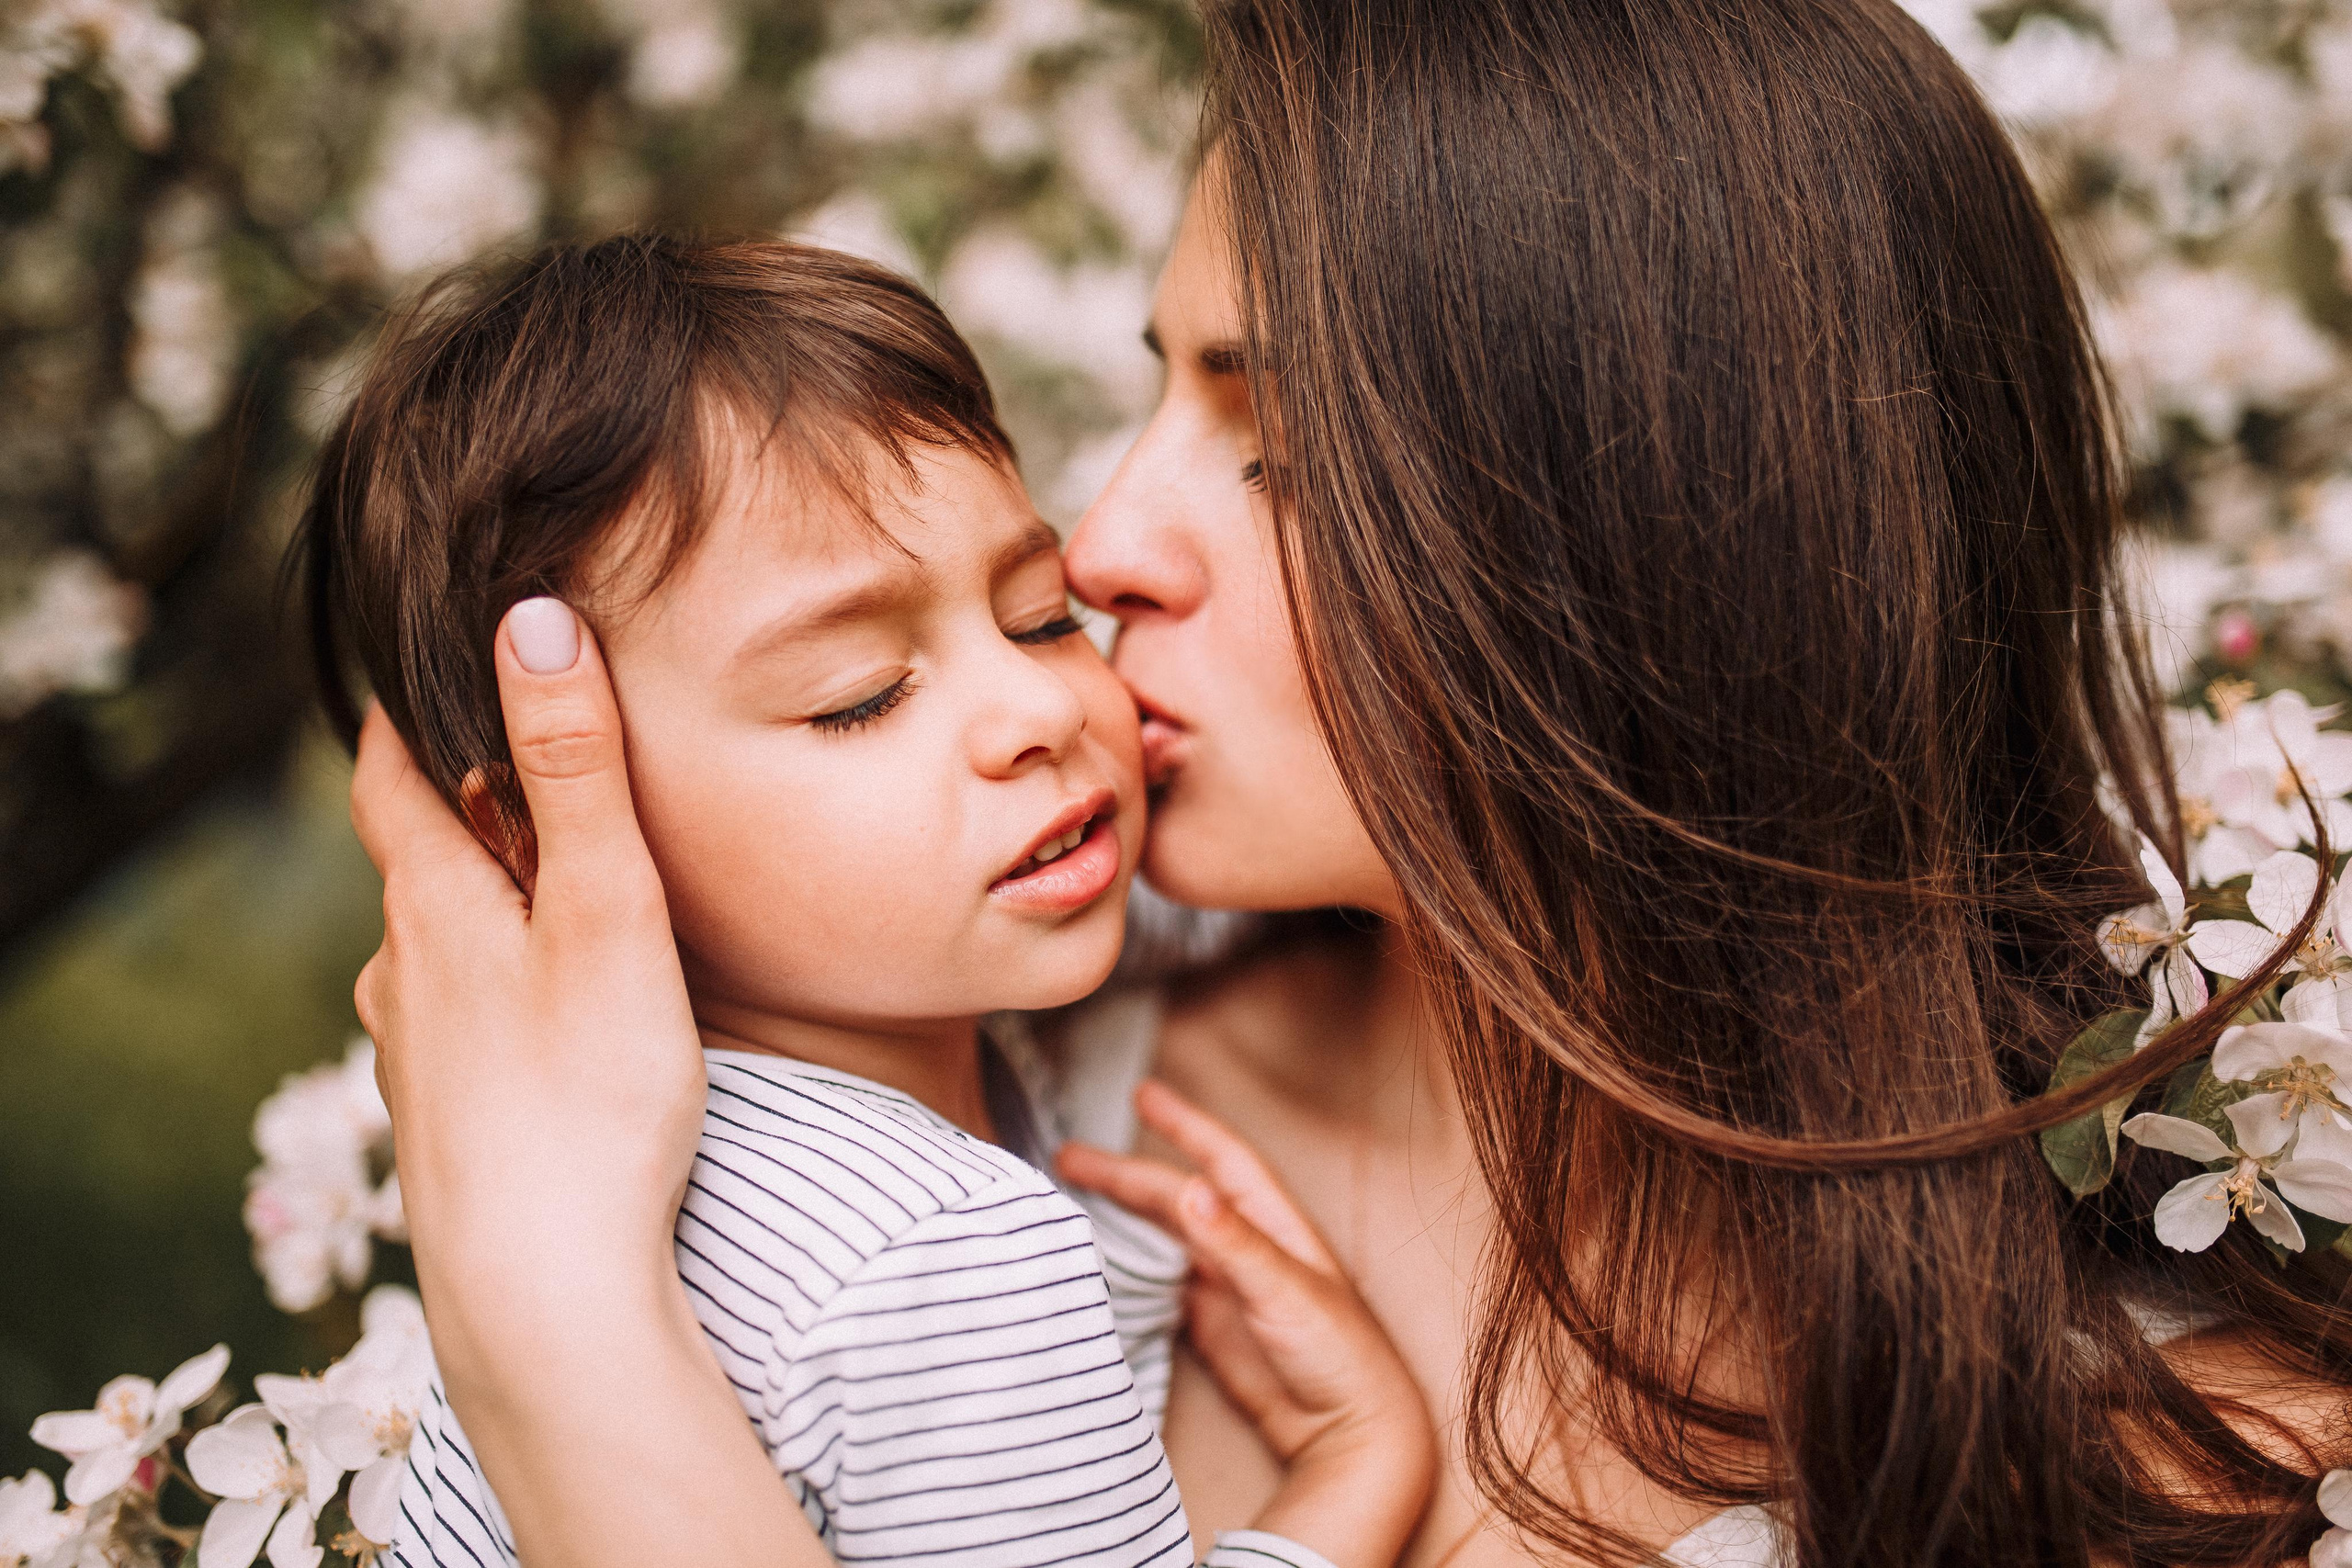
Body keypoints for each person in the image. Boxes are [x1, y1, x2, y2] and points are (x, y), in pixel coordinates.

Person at [343, 1, 2352, 1563]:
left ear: (1646, 558)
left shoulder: (2189, 1465)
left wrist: (552, 1329)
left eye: (1277, 448)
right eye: (1149, 388)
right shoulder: (971, 1048)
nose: (1103, 541)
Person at [298, 234, 1434, 1568]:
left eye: (1039, 616)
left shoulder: (832, 1028)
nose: (1038, 712)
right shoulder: (938, 1260)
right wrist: (1354, 1478)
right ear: (548, 836)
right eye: (861, 698)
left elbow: (1171, 889)